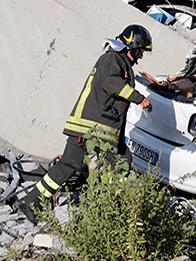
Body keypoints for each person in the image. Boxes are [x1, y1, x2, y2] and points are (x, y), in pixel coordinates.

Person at [16, 24, 153, 225]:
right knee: (78, 164)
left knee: (98, 162)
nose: (141, 57)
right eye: (140, 51)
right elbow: (111, 84)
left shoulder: (120, 62)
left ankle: (32, 202)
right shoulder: (111, 59)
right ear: (131, 46)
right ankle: (110, 209)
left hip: (99, 129)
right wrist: (138, 97)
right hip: (89, 127)